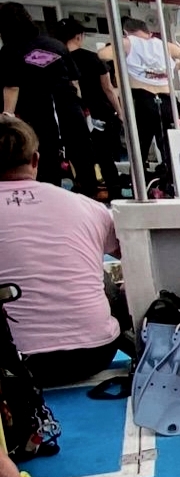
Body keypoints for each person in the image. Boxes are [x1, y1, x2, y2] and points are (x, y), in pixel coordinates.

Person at [0, 118, 128, 387]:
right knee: (97, 278)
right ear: (36, 160)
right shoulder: (86, 207)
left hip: (13, 364)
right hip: (94, 354)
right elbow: (132, 254)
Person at [0, 5, 98, 197]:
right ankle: (90, 198)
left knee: (46, 159)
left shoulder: (10, 50)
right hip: (69, 106)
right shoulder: (56, 45)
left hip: (37, 108)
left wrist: (7, 117)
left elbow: (12, 87)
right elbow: (74, 81)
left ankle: (49, 201)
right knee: (81, 155)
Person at [96, 17, 180, 196]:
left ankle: (141, 188)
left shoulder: (128, 42)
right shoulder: (163, 45)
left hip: (142, 98)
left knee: (140, 148)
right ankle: (170, 186)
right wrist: (173, 67)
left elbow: (102, 54)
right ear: (147, 31)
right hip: (166, 100)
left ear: (127, 31)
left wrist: (122, 47)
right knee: (168, 147)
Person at [56, 20, 123, 203]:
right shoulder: (93, 58)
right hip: (100, 110)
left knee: (79, 156)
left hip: (72, 112)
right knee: (104, 155)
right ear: (79, 36)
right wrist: (119, 111)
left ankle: (87, 191)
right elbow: (108, 88)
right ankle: (114, 190)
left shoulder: (58, 59)